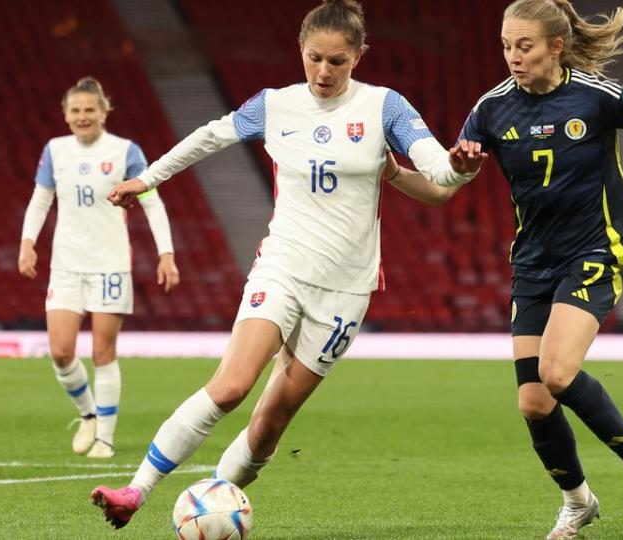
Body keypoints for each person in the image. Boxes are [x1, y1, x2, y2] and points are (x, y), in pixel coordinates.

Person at [89, 0, 484, 528]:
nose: (324, 71)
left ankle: (215, 504)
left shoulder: (383, 107)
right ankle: (136, 492)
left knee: (271, 422)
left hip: (345, 292)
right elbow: (211, 135)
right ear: (300, 50)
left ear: (359, 56)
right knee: (231, 385)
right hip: (283, 266)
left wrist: (457, 169)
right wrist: (148, 178)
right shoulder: (275, 106)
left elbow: (434, 166)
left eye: (337, 61)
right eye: (314, 58)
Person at [389, 1, 623, 537]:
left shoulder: (598, 94)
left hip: (595, 247)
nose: (512, 57)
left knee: (557, 372)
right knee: (533, 402)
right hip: (533, 260)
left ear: (555, 47)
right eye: (505, 46)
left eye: (525, 46)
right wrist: (407, 173)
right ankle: (578, 500)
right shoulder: (492, 108)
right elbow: (446, 189)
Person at [18, 77, 180, 459]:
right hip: (66, 264)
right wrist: (27, 243)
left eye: (90, 109)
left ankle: (105, 437)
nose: (82, 116)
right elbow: (41, 200)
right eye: (75, 110)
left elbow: (152, 202)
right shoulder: (55, 150)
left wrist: (166, 253)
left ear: (104, 111)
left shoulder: (126, 151)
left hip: (110, 265)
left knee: (103, 352)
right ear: (65, 114)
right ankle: (88, 414)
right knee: (60, 351)